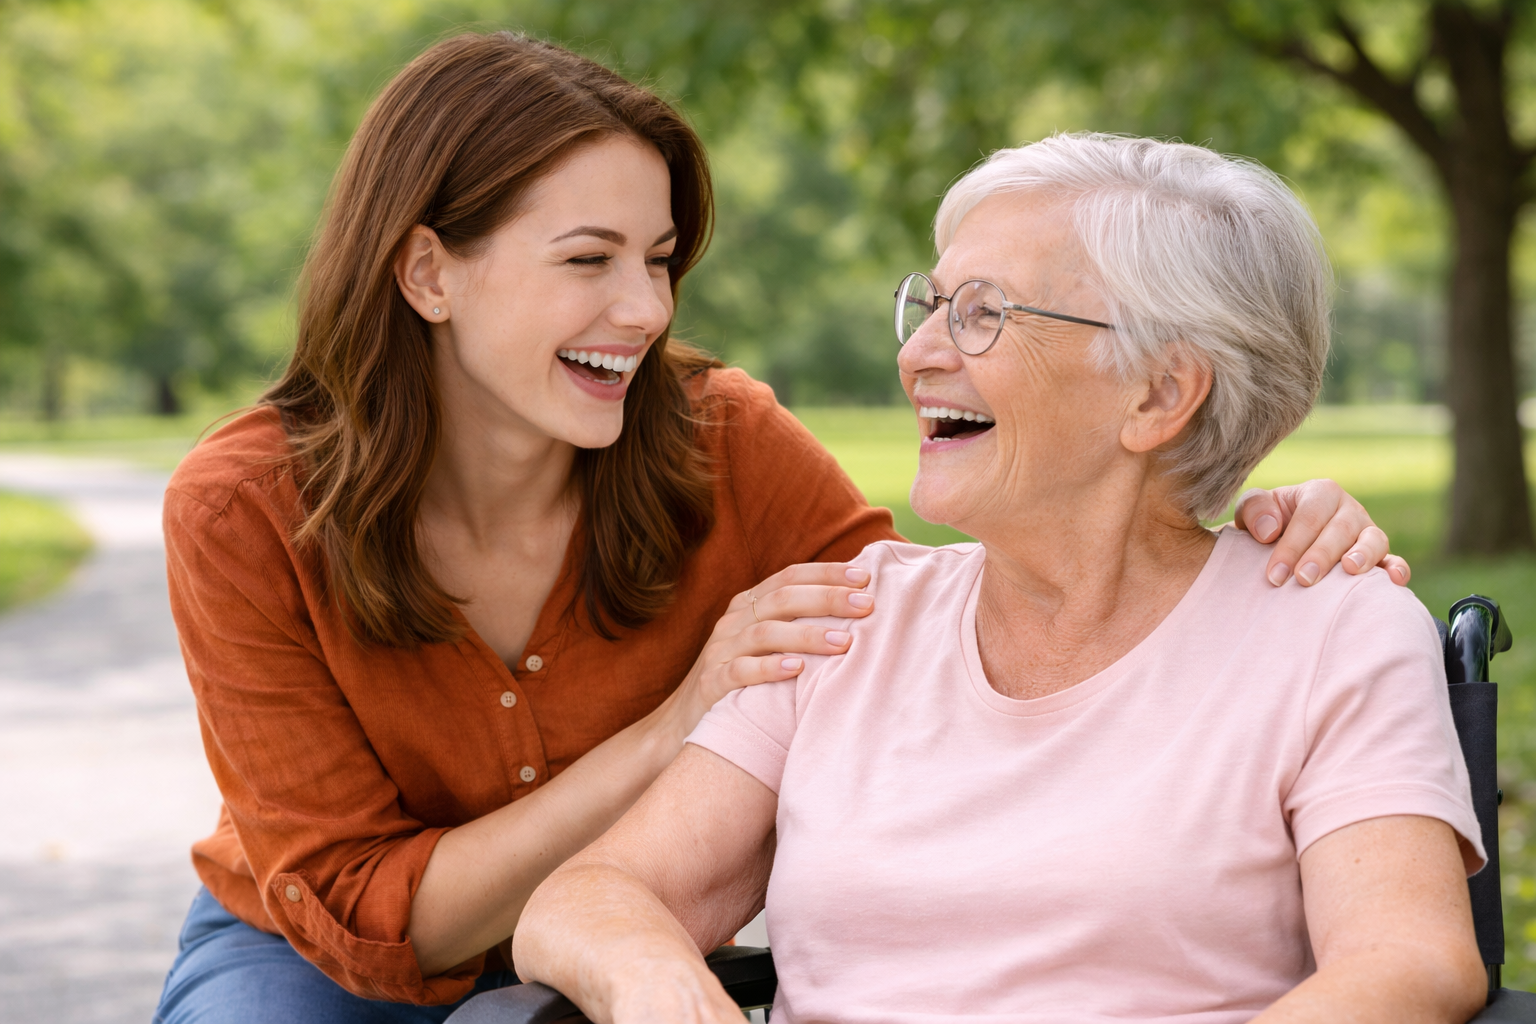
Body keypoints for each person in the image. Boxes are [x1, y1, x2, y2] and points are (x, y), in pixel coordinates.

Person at [153, 32, 1407, 1024]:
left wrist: (1247, 516)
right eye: (588, 258)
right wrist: (676, 724)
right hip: (327, 955)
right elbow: (373, 912)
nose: (644, 308)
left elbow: (975, 604)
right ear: (429, 273)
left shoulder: (719, 436)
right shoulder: (249, 506)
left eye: (660, 258)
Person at [513, 134, 1486, 1024]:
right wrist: (655, 976)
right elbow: (589, 898)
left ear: (1159, 392)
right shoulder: (849, 618)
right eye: (931, 306)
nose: (917, 354)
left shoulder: (1329, 628)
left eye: (982, 316)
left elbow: (1410, 961)